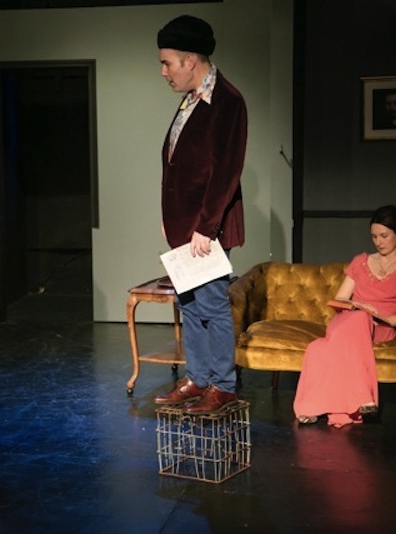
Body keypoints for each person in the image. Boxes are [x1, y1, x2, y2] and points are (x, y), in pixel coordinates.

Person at [151, 15, 248, 415]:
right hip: (184, 227)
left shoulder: (227, 101)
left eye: (167, 62)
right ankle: (199, 377)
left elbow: (226, 170)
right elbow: (179, 165)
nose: (163, 72)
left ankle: (222, 384)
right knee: (189, 305)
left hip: (206, 229)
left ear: (191, 60)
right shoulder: (191, 100)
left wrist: (207, 227)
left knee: (211, 305)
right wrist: (169, 216)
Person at [294, 205, 396, 427]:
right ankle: (362, 396)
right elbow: (340, 299)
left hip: (379, 327)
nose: (378, 242)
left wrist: (383, 318)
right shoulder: (360, 262)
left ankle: (313, 408)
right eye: (374, 236)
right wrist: (357, 306)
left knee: (318, 347)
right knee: (356, 318)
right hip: (347, 321)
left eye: (384, 236)